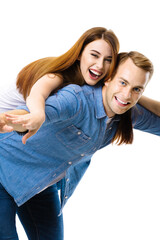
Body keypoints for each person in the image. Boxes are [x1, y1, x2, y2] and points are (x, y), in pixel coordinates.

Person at [0, 51, 160, 240]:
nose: (126, 95)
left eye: (136, 89)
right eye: (123, 82)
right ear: (108, 79)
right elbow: (35, 114)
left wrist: (134, 95)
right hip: (4, 171)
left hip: (38, 184)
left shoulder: (127, 113)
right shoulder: (76, 99)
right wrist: (13, 121)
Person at [0, 27, 119, 144]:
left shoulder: (95, 82)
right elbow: (37, 94)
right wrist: (38, 114)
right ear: (79, 54)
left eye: (108, 60)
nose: (100, 66)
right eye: (94, 55)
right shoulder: (60, 75)